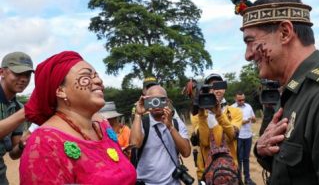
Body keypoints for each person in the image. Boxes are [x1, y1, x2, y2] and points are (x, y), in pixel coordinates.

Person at [239, 0, 319, 184]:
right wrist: (262, 151)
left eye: (250, 41)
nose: (248, 55)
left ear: (285, 33)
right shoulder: (296, 93)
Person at [19, 51, 136, 184]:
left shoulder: (103, 126)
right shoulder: (44, 144)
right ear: (60, 91)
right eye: (86, 76)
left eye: (96, 75)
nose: (98, 81)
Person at [130, 85, 191, 185]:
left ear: (167, 101)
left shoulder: (176, 123)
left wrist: (170, 127)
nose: (156, 103)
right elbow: (135, 145)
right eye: (152, 100)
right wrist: (137, 114)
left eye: (160, 100)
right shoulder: (142, 123)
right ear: (145, 102)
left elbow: (186, 152)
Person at [190, 73, 242, 181]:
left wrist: (219, 115)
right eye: (212, 87)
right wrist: (202, 114)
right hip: (206, 172)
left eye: (220, 86)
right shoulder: (197, 116)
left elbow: (232, 135)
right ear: (206, 90)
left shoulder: (235, 112)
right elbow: (204, 142)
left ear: (224, 89)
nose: (217, 90)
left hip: (230, 170)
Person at [0, 51, 33, 184]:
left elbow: (13, 155)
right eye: (18, 73)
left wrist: (22, 144)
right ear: (2, 72)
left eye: (27, 75)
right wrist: (27, 111)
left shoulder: (18, 108)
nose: (24, 79)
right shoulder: (22, 112)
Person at [231, 92, 256, 185]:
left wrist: (253, 119)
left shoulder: (249, 106)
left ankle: (247, 179)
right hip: (238, 137)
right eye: (239, 100)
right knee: (238, 159)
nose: (241, 101)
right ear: (235, 99)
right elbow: (230, 123)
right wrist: (241, 122)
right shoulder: (232, 108)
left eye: (243, 99)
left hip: (248, 135)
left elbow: (254, 119)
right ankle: (239, 179)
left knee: (246, 158)